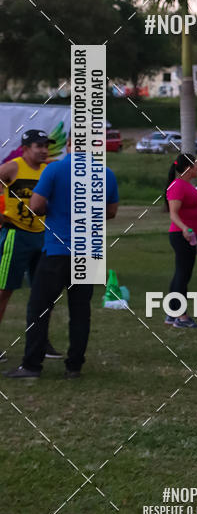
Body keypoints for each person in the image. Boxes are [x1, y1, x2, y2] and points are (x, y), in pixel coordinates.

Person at [4, 136, 119, 378]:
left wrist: (54, 209)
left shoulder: (55, 169)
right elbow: (111, 211)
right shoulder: (107, 174)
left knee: (39, 308)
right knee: (80, 311)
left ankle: (32, 365)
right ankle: (74, 366)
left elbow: (36, 205)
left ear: (69, 144)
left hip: (57, 250)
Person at [0, 129, 62, 361]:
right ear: (26, 149)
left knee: (44, 293)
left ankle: (41, 342)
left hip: (42, 237)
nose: (44, 150)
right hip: (16, 235)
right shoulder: (12, 168)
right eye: (39, 146)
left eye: (46, 146)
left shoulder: (49, 170)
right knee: (4, 290)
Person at [166, 153, 197, 327]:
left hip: (190, 236)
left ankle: (172, 313)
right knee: (183, 274)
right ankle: (181, 316)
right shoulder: (178, 186)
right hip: (182, 236)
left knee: (181, 274)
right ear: (189, 167)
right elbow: (173, 214)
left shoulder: (186, 185)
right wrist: (185, 228)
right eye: (196, 165)